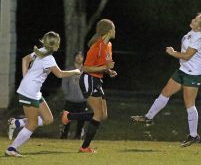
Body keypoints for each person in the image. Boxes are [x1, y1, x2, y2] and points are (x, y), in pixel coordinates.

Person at [131, 13, 201, 147]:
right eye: (194, 18)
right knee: (165, 92)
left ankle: (193, 135)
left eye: (196, 20)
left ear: (199, 27)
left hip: (193, 73)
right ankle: (148, 117)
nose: (192, 19)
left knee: (189, 104)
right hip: (183, 70)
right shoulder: (192, 32)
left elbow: (187, 56)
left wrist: (173, 52)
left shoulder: (198, 37)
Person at [5, 31, 81, 157]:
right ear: (55, 45)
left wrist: (26, 77)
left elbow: (25, 59)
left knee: (48, 119)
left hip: (34, 92)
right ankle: (12, 148)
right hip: (29, 92)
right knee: (33, 123)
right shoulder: (48, 58)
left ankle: (17, 123)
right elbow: (60, 74)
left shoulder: (40, 51)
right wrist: (76, 71)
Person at [61, 19, 117, 153]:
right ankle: (84, 147)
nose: (115, 31)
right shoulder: (96, 47)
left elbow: (102, 65)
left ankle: (69, 116)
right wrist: (105, 67)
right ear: (109, 31)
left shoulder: (108, 45)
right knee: (98, 114)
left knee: (103, 115)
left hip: (97, 80)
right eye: (114, 29)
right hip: (88, 79)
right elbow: (85, 68)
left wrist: (109, 71)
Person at [60, 51, 87, 139]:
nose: (79, 58)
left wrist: (86, 95)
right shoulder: (69, 69)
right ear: (74, 58)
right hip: (70, 99)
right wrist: (67, 94)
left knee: (81, 120)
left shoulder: (86, 70)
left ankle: (77, 136)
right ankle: (64, 136)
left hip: (82, 100)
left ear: (83, 58)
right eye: (77, 56)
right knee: (66, 119)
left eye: (81, 56)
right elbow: (64, 83)